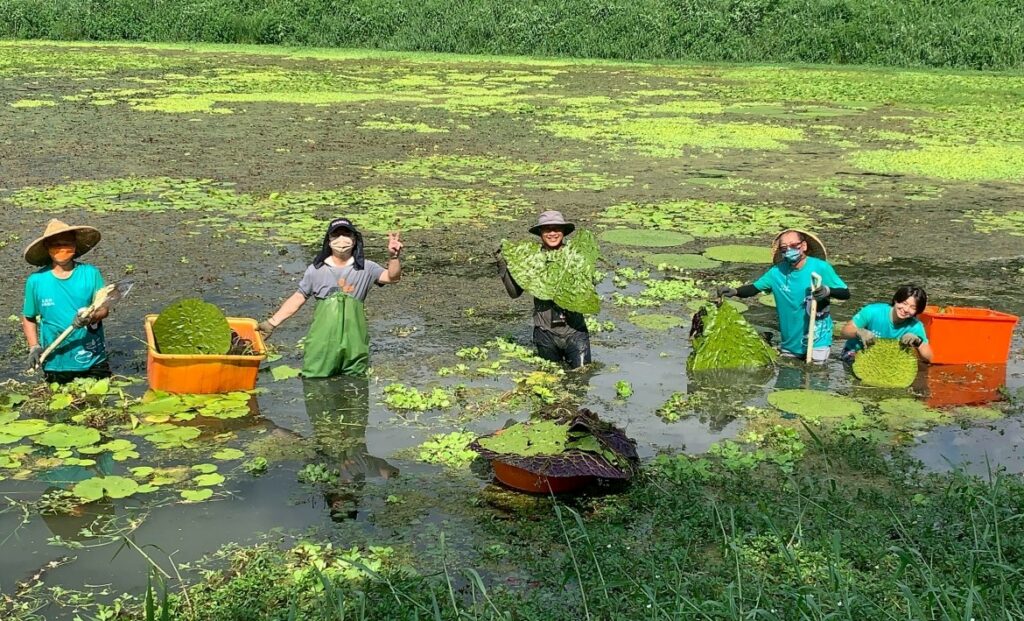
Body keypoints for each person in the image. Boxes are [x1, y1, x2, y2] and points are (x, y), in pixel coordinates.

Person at [257, 217, 402, 377]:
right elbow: (298, 298)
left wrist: (394, 257)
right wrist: (272, 323)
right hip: (323, 342)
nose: (341, 239)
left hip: (354, 343)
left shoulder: (366, 268)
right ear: (329, 240)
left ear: (354, 240)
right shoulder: (316, 270)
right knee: (315, 380)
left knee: (356, 383)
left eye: (346, 234)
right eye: (336, 235)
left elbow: (392, 277)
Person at [718, 229, 849, 363]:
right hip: (790, 341)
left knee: (816, 372)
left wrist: (827, 291)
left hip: (817, 338)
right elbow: (754, 288)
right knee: (788, 372)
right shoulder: (777, 272)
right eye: (784, 248)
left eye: (794, 245)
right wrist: (735, 291)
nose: (789, 250)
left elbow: (845, 293)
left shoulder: (820, 267)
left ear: (803, 246)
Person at [496, 210, 592, 369]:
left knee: (582, 376)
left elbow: (587, 293)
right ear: (540, 232)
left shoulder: (576, 257)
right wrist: (502, 263)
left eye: (556, 229)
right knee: (550, 378)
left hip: (575, 333)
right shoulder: (531, 260)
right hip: (545, 334)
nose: (552, 233)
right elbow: (514, 293)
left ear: (563, 232)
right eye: (547, 229)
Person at [22, 219, 111, 383]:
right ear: (47, 248)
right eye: (56, 245)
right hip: (56, 361)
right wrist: (34, 346)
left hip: (92, 358)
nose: (62, 248)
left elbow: (104, 309)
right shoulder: (36, 281)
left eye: (66, 244)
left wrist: (90, 317)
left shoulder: (91, 273)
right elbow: (28, 317)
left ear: (74, 246)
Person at [840, 284, 933, 363]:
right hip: (856, 352)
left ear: (917, 311)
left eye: (913, 307)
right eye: (904, 303)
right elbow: (844, 332)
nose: (906, 309)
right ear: (896, 300)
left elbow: (929, 358)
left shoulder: (915, 326)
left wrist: (917, 342)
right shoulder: (873, 311)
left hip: (886, 359)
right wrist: (859, 332)